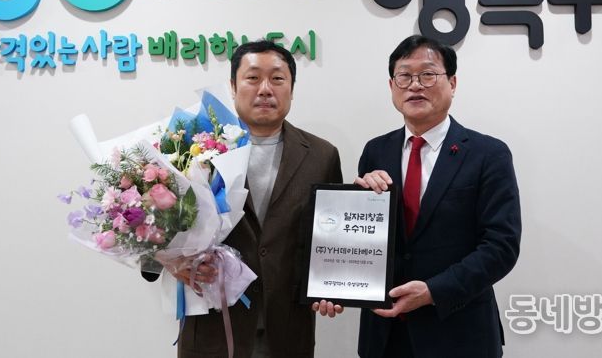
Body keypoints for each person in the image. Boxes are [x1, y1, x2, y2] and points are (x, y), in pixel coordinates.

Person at [318, 35, 521, 357]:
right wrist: (335, 284)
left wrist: (432, 291)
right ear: (391, 86)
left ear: (452, 83)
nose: (415, 85)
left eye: (428, 74)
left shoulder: (488, 154)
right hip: (384, 335)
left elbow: (501, 246)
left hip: (458, 333)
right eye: (404, 76)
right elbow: (364, 241)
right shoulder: (376, 151)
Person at [157, 40, 343, 358]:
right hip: (213, 330)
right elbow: (152, 226)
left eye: (277, 79)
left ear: (292, 89)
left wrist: (335, 286)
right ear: (233, 86)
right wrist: (171, 262)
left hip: (287, 331)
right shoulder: (189, 147)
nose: (265, 89)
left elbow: (332, 237)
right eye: (253, 78)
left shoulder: (321, 155)